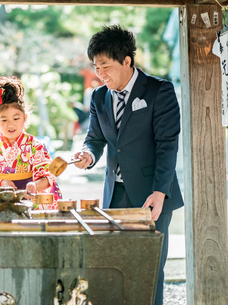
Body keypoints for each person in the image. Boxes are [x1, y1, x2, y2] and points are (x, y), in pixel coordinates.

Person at [72, 25, 184, 305]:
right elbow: (95, 139)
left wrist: (160, 192)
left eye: (106, 66)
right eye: (96, 67)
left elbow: (167, 145)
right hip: (115, 195)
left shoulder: (160, 91)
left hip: (152, 196)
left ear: (127, 61)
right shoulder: (98, 96)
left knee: (149, 271)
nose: (101, 74)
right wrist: (87, 154)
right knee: (114, 271)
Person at [0, 76, 62, 209]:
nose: (11, 124)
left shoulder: (36, 146)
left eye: (16, 118)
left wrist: (35, 185)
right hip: (0, 203)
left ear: (25, 117)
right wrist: (1, 183)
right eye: (4, 120)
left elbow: (47, 176)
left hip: (30, 202)